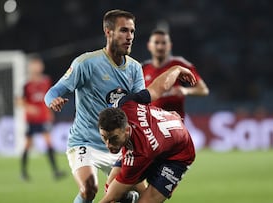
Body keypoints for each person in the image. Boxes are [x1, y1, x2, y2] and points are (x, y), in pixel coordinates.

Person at [44, 9, 145, 203]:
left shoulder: (134, 68)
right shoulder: (86, 63)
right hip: (85, 142)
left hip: (119, 145)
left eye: (132, 31)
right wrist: (52, 101)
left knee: (139, 195)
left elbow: (139, 107)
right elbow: (53, 92)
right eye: (124, 31)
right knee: (89, 189)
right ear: (108, 32)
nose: (130, 37)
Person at [98, 65, 196, 203]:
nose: (108, 145)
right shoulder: (125, 103)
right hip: (160, 137)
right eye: (104, 138)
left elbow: (109, 199)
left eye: (113, 139)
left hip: (177, 154)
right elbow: (157, 88)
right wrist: (176, 70)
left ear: (126, 130)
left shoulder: (141, 152)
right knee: (112, 188)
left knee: (121, 196)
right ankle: (133, 197)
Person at [142, 29, 209, 118]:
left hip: (174, 123)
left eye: (164, 43)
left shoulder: (180, 65)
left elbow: (203, 90)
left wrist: (186, 90)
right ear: (149, 46)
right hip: (150, 123)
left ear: (170, 46)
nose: (160, 47)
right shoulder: (142, 68)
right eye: (156, 43)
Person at [19, 56, 65, 181]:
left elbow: (50, 97)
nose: (36, 67)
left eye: (38, 64)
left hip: (43, 118)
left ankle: (56, 171)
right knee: (28, 145)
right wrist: (29, 107)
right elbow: (19, 101)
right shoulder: (26, 84)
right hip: (31, 120)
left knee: (49, 142)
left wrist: (50, 112)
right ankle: (23, 172)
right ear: (30, 67)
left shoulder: (46, 81)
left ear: (41, 66)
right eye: (34, 65)